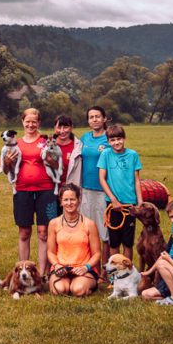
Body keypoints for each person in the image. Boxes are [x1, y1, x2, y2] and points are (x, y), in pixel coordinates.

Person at [4, 108, 56, 273]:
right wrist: (5, 162)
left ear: (39, 122)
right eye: (28, 121)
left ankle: (41, 273)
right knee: (24, 232)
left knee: (43, 233)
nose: (31, 124)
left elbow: (57, 165)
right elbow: (7, 171)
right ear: (22, 122)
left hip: (46, 190)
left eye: (34, 121)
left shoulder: (45, 141)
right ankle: (23, 271)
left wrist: (49, 159)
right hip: (22, 190)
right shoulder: (15, 143)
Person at [98, 124, 143, 264]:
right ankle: (115, 274)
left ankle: (127, 272)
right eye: (112, 140)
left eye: (119, 139)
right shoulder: (105, 154)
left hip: (130, 204)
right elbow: (102, 179)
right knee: (114, 241)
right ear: (108, 141)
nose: (116, 142)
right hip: (112, 204)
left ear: (124, 138)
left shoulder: (133, 155)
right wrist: (113, 200)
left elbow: (137, 181)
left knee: (128, 242)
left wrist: (140, 202)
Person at [46, 184, 101, 297]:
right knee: (59, 290)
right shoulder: (54, 223)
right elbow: (50, 252)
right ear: (61, 202)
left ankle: (81, 284)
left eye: (72, 199)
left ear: (79, 200)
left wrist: (86, 267)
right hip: (61, 268)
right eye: (65, 200)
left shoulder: (89, 224)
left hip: (83, 268)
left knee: (78, 290)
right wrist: (56, 265)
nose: (69, 203)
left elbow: (97, 253)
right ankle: (67, 283)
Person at [79, 106, 110, 263]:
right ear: (88, 120)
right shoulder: (85, 137)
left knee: (104, 233)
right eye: (91, 117)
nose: (95, 119)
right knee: (88, 231)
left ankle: (105, 270)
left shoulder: (109, 138)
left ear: (104, 118)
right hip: (85, 190)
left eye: (98, 116)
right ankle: (91, 267)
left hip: (103, 191)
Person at [54, 114, 83, 189]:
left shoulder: (78, 147)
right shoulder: (47, 146)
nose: (62, 131)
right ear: (54, 128)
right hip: (50, 191)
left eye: (65, 127)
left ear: (71, 128)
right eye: (59, 127)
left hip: (70, 192)